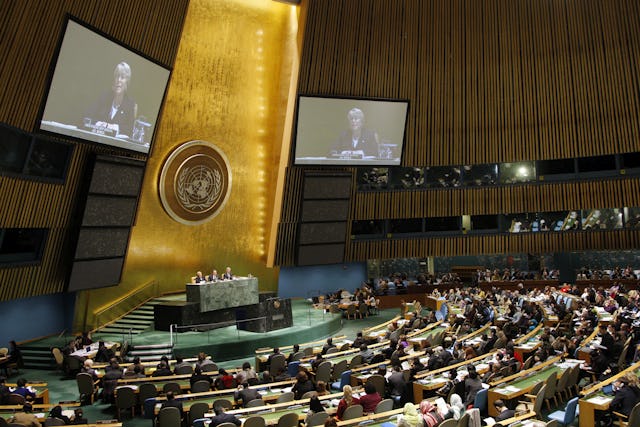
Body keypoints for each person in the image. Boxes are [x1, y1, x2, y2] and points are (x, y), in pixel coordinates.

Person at [85, 61, 137, 138]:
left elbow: (130, 129)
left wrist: (113, 127)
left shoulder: (130, 104)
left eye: (122, 77)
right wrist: (99, 123)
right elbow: (87, 116)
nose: (119, 80)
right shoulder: (104, 97)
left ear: (127, 82)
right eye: (117, 76)